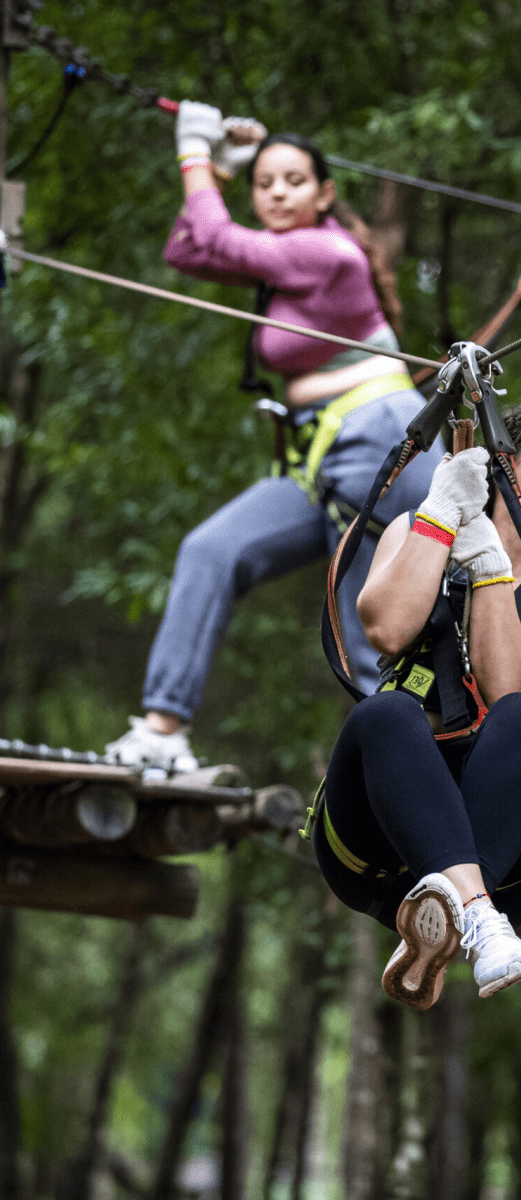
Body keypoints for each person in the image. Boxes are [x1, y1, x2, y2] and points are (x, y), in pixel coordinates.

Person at [105, 101, 439, 771]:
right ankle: (163, 731)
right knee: (212, 551)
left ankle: (424, 802)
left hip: (380, 447)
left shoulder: (325, 250)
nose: (278, 193)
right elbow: (189, 247)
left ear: (325, 193)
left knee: (367, 646)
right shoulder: (285, 257)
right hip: (322, 456)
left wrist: (194, 155)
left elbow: (222, 241)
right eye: (264, 183)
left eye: (293, 180)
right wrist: (215, 177)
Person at [312, 397, 521, 1008]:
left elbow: (509, 692)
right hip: (375, 835)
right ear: (505, 463)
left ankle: (457, 913)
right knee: (386, 711)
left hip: (508, 855)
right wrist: (444, 515)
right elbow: (388, 632)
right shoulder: (415, 529)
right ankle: (476, 921)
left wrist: (487, 563)